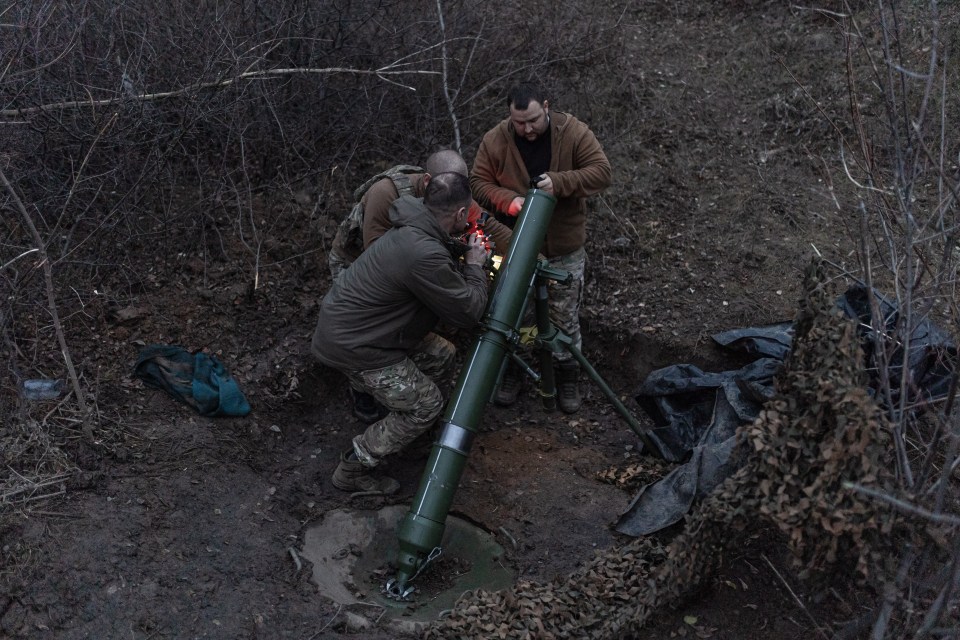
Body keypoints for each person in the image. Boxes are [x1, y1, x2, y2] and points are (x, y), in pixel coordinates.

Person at [312, 172, 490, 494]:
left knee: (442, 355)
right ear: (462, 214)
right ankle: (353, 466)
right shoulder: (422, 251)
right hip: (356, 345)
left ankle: (405, 424)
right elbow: (468, 311)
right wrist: (475, 266)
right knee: (427, 404)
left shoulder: (414, 228)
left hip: (362, 330)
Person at [328, 150, 512, 423]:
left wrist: (533, 258)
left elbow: (490, 227)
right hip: (359, 265)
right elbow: (378, 254)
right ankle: (365, 392)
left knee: (416, 326)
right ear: (428, 181)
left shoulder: (452, 193)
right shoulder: (385, 193)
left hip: (411, 265)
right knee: (370, 331)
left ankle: (404, 385)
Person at [470, 82, 612, 413]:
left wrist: (559, 183)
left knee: (563, 318)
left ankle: (567, 376)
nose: (528, 129)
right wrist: (509, 201)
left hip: (563, 246)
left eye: (533, 120)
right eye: (520, 123)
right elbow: (478, 182)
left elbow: (601, 173)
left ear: (546, 106)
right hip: (515, 246)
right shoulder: (496, 139)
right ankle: (514, 372)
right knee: (514, 313)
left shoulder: (573, 132)